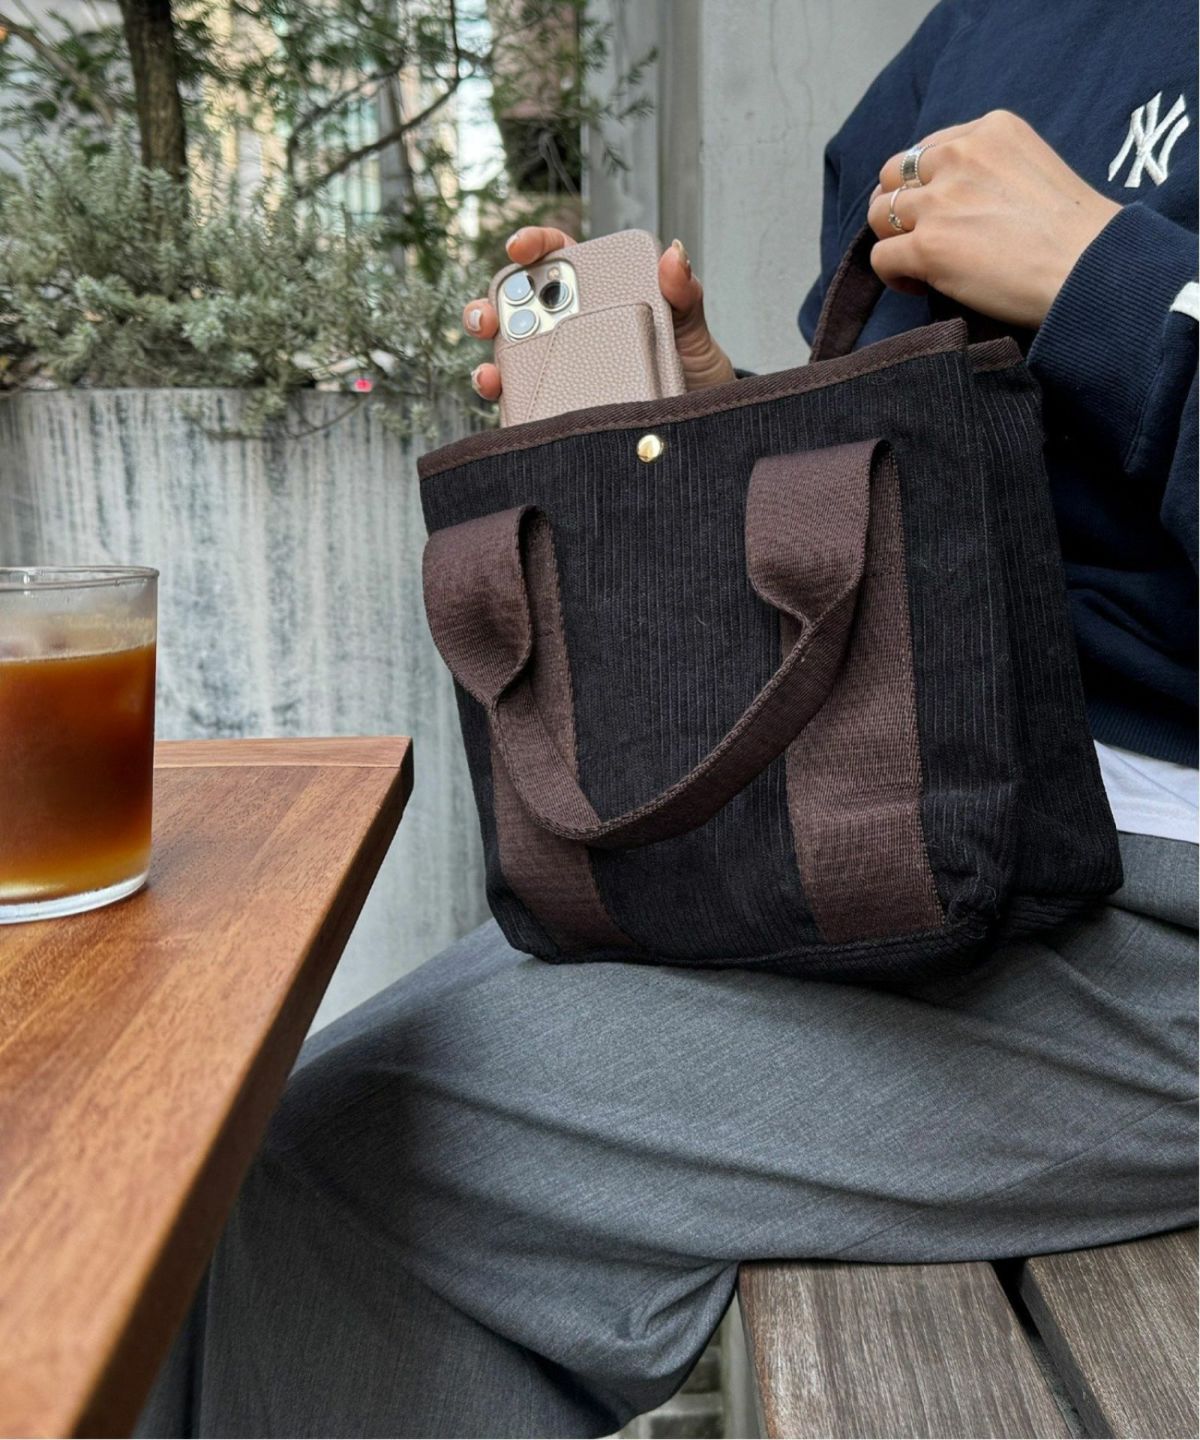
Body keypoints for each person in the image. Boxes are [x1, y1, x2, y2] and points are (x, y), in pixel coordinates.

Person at [140, 1, 1197, 1434]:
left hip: (1144, 905)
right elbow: (968, 491)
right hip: (921, 822)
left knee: (354, 1160)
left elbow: (1102, 337)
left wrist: (1108, 280)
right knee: (275, 1148)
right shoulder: (989, 26)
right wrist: (733, 427)